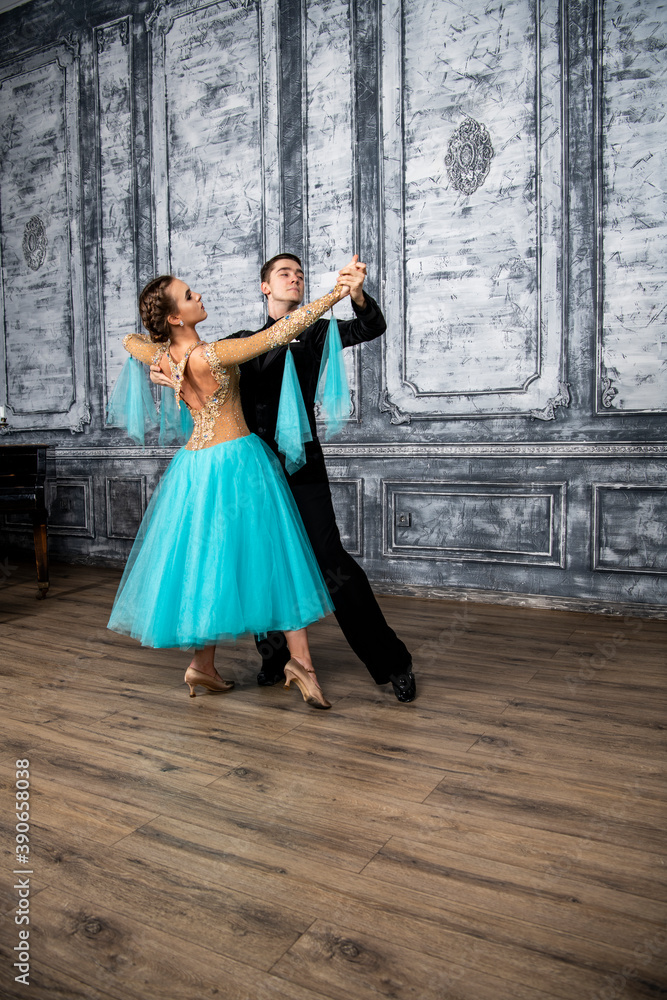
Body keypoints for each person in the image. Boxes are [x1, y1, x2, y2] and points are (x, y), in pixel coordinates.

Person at [151, 254, 416, 702]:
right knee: (261, 558)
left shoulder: (317, 331)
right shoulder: (239, 341)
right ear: (265, 287)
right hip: (251, 470)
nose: (295, 278)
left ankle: (392, 663)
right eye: (284, 273)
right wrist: (164, 365)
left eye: (300, 274)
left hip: (302, 465)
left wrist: (355, 296)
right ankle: (274, 658)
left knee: (331, 560)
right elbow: (190, 361)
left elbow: (371, 328)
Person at [107, 273, 353, 709]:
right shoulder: (214, 356)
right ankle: (302, 664)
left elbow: (130, 339)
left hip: (195, 469)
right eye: (188, 296)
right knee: (273, 554)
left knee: (210, 560)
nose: (198, 295)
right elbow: (281, 332)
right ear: (175, 317)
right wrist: (336, 294)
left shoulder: (165, 355)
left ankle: (203, 665)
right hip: (238, 462)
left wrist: (156, 363)